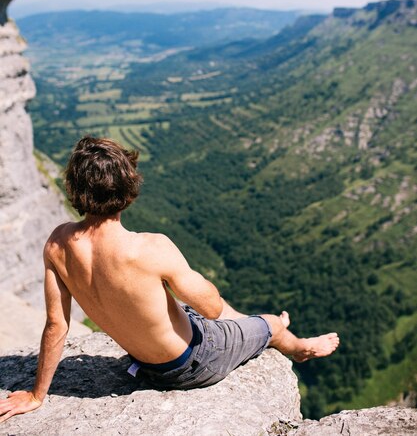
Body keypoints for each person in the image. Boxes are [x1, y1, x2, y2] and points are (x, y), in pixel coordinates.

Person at [0, 136, 339, 423]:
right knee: (271, 325)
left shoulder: (57, 243)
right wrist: (196, 279)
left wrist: (36, 394)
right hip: (195, 362)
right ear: (126, 186)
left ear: (76, 189)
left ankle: (248, 327)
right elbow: (210, 306)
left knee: (194, 311)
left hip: (145, 364)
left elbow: (56, 326)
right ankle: (297, 346)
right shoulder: (150, 247)